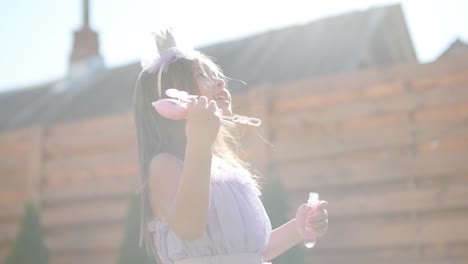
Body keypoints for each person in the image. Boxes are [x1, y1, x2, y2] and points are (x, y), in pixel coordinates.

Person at [133, 29, 328, 264]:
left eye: (215, 74)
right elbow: (189, 227)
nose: (219, 81)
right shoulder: (165, 165)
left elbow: (252, 252)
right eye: (201, 76)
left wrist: (297, 228)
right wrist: (199, 143)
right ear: (173, 100)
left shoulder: (225, 170)